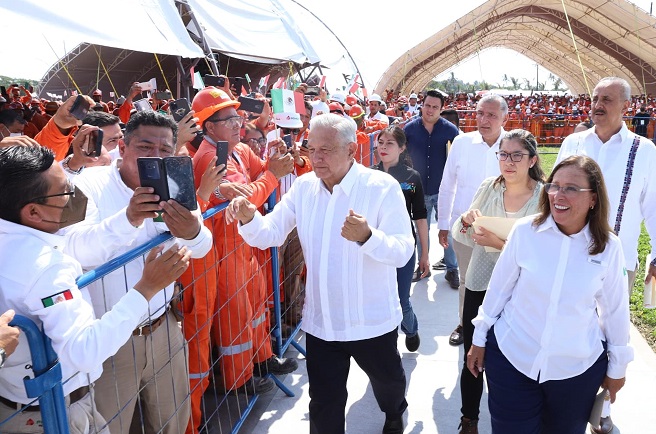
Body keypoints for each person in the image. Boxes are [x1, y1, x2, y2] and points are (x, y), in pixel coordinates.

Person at [225, 114, 413, 434]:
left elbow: (403, 251)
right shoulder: (304, 188)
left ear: (351, 149)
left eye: (326, 149)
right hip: (322, 324)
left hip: (371, 321)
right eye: (311, 149)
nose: (316, 157)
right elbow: (270, 233)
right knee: (324, 406)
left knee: (389, 386)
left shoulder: (381, 187)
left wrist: (368, 237)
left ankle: (395, 413)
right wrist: (248, 217)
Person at [0, 143, 191, 433]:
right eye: (65, 191)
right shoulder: (46, 267)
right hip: (54, 412)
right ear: (34, 212)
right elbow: (84, 351)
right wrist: (147, 288)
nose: (75, 196)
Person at [65, 111, 214, 434]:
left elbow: (203, 247)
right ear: (123, 147)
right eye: (145, 147)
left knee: (174, 421)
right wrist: (128, 218)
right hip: (111, 339)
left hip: (164, 328)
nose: (155, 157)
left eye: (165, 149)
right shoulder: (88, 184)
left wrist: (192, 232)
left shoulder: (176, 183)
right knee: (110, 426)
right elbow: (77, 250)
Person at [466, 155, 633, 434]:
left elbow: (615, 310)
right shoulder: (525, 232)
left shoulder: (609, 248)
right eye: (554, 186)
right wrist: (479, 338)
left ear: (593, 198)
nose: (558, 195)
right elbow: (498, 290)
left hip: (576, 372)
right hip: (512, 360)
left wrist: (618, 368)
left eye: (571, 188)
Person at [556, 77, 656, 433]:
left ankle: (602, 407)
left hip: (619, 264)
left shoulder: (643, 149)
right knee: (571, 332)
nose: (598, 104)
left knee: (612, 338)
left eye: (607, 99)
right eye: (594, 98)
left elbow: (655, 205)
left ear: (626, 106)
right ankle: (568, 398)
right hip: (571, 258)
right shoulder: (574, 143)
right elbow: (556, 194)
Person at [191, 87, 301, 399]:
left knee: (255, 306)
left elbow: (260, 173)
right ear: (210, 127)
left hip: (242, 245)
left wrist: (273, 162)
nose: (238, 124)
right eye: (230, 120)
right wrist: (273, 175)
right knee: (235, 315)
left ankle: (263, 360)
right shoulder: (209, 157)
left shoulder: (236, 149)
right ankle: (239, 380)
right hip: (224, 251)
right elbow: (247, 198)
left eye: (238, 118)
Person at [451, 129, 545, 433]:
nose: (508, 161)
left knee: (512, 361)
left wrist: (498, 243)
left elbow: (543, 253)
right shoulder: (488, 187)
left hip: (522, 291)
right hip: (480, 284)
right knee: (473, 354)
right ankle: (469, 419)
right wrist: (466, 220)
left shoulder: (545, 196)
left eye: (517, 155)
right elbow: (461, 233)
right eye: (503, 154)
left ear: (532, 160)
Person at [438, 94, 507, 346]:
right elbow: (448, 185)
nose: (484, 120)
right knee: (467, 281)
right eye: (480, 113)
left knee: (503, 282)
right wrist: (443, 224)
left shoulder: (514, 144)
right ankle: (464, 324)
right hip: (465, 228)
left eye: (491, 115)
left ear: (504, 118)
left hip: (502, 230)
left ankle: (498, 328)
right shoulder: (461, 142)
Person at [373, 125, 428, 352]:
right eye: (380, 142)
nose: (383, 148)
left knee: (401, 299)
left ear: (402, 148)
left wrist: (425, 254)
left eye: (390, 143)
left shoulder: (412, 177)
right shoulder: (369, 176)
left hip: (403, 248)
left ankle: (411, 329)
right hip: (374, 246)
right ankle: (388, 346)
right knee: (379, 300)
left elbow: (421, 217)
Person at [403, 90, 460, 286]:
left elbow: (458, 158)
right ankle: (423, 267)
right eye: (427, 105)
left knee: (448, 230)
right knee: (421, 232)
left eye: (435, 107)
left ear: (441, 109)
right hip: (418, 190)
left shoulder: (450, 131)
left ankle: (452, 269)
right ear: (422, 105)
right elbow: (401, 155)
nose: (430, 110)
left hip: (443, 189)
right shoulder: (409, 129)